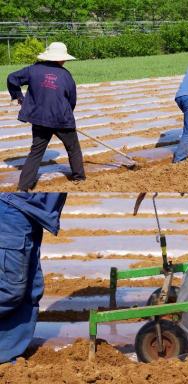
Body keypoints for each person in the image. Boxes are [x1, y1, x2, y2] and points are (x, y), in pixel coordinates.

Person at [6, 42, 85, 191]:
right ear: (61, 58)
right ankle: (79, 178)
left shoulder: (33, 70)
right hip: (62, 119)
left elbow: (12, 78)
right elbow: (72, 100)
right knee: (73, 147)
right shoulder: (66, 75)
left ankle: (23, 187)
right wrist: (67, 115)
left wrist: (18, 96)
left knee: (36, 152)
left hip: (39, 119)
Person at [0, 192, 67, 364]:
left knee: (31, 291)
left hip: (30, 215)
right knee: (9, 290)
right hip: (12, 209)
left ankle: (5, 359)